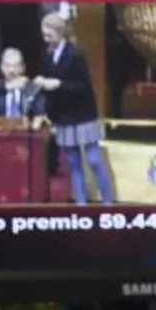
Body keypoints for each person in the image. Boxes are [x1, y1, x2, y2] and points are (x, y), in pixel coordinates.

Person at [33, 12, 114, 205]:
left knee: (94, 160)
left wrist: (58, 84)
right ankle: (81, 205)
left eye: (49, 35)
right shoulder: (46, 54)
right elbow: (47, 81)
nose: (46, 39)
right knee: (74, 163)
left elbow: (83, 86)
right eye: (44, 35)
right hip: (64, 116)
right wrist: (42, 83)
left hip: (83, 114)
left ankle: (108, 202)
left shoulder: (75, 53)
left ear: (60, 33)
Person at [0, 47, 46, 123]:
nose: (11, 70)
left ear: (23, 68)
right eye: (7, 65)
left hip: (25, 132)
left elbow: (41, 114)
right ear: (1, 67)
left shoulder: (33, 89)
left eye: (16, 66)